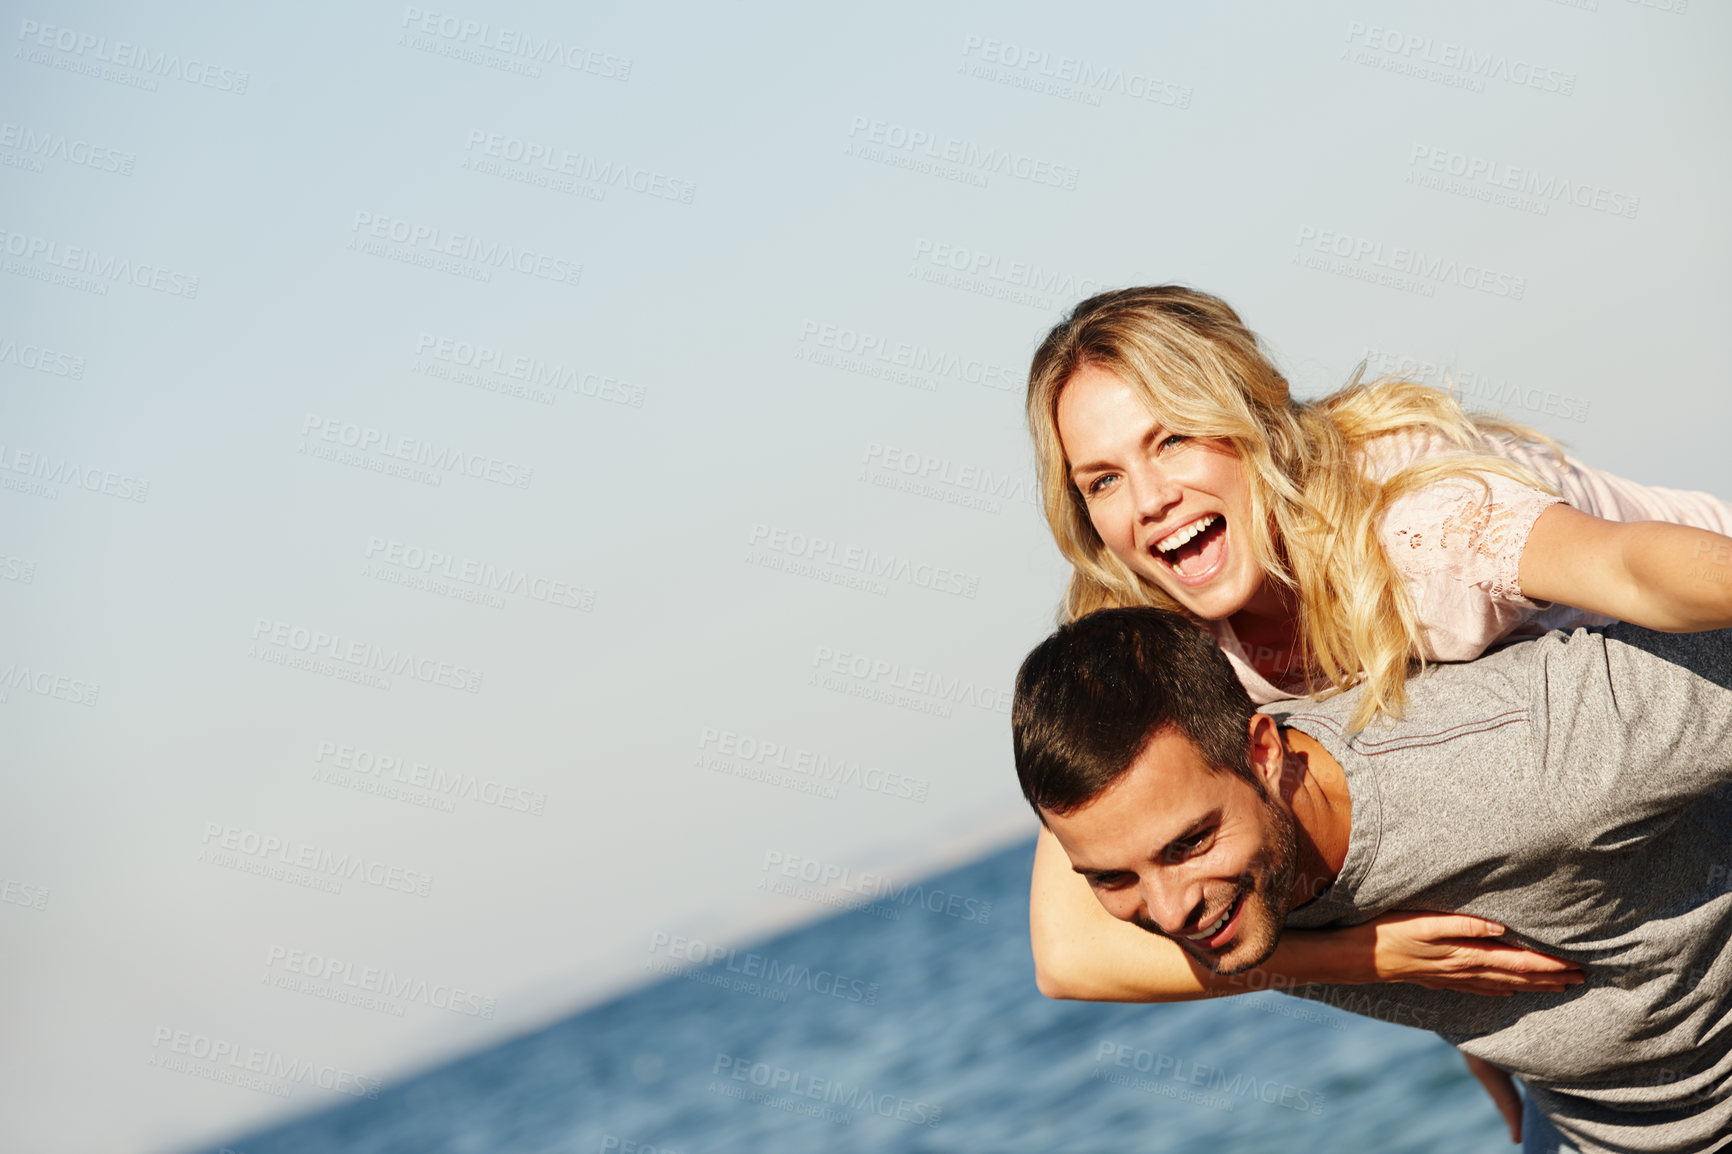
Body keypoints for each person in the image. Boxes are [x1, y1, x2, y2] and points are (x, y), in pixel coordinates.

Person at [1022, 286, 1732, 1023]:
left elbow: (1628, 568)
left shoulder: (1411, 522)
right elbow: (1068, 953)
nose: (1146, 501)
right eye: (1103, 480)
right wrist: (1366, 957)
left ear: (1252, 419)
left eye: (1171, 440)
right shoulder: (1144, 627)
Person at [1013, 607, 1732, 1152]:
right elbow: (1065, 960)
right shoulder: (1217, 881)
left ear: (1262, 753)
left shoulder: (1536, 747)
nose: (1171, 914)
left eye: (1190, 844)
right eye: (1111, 877)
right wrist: (1363, 957)